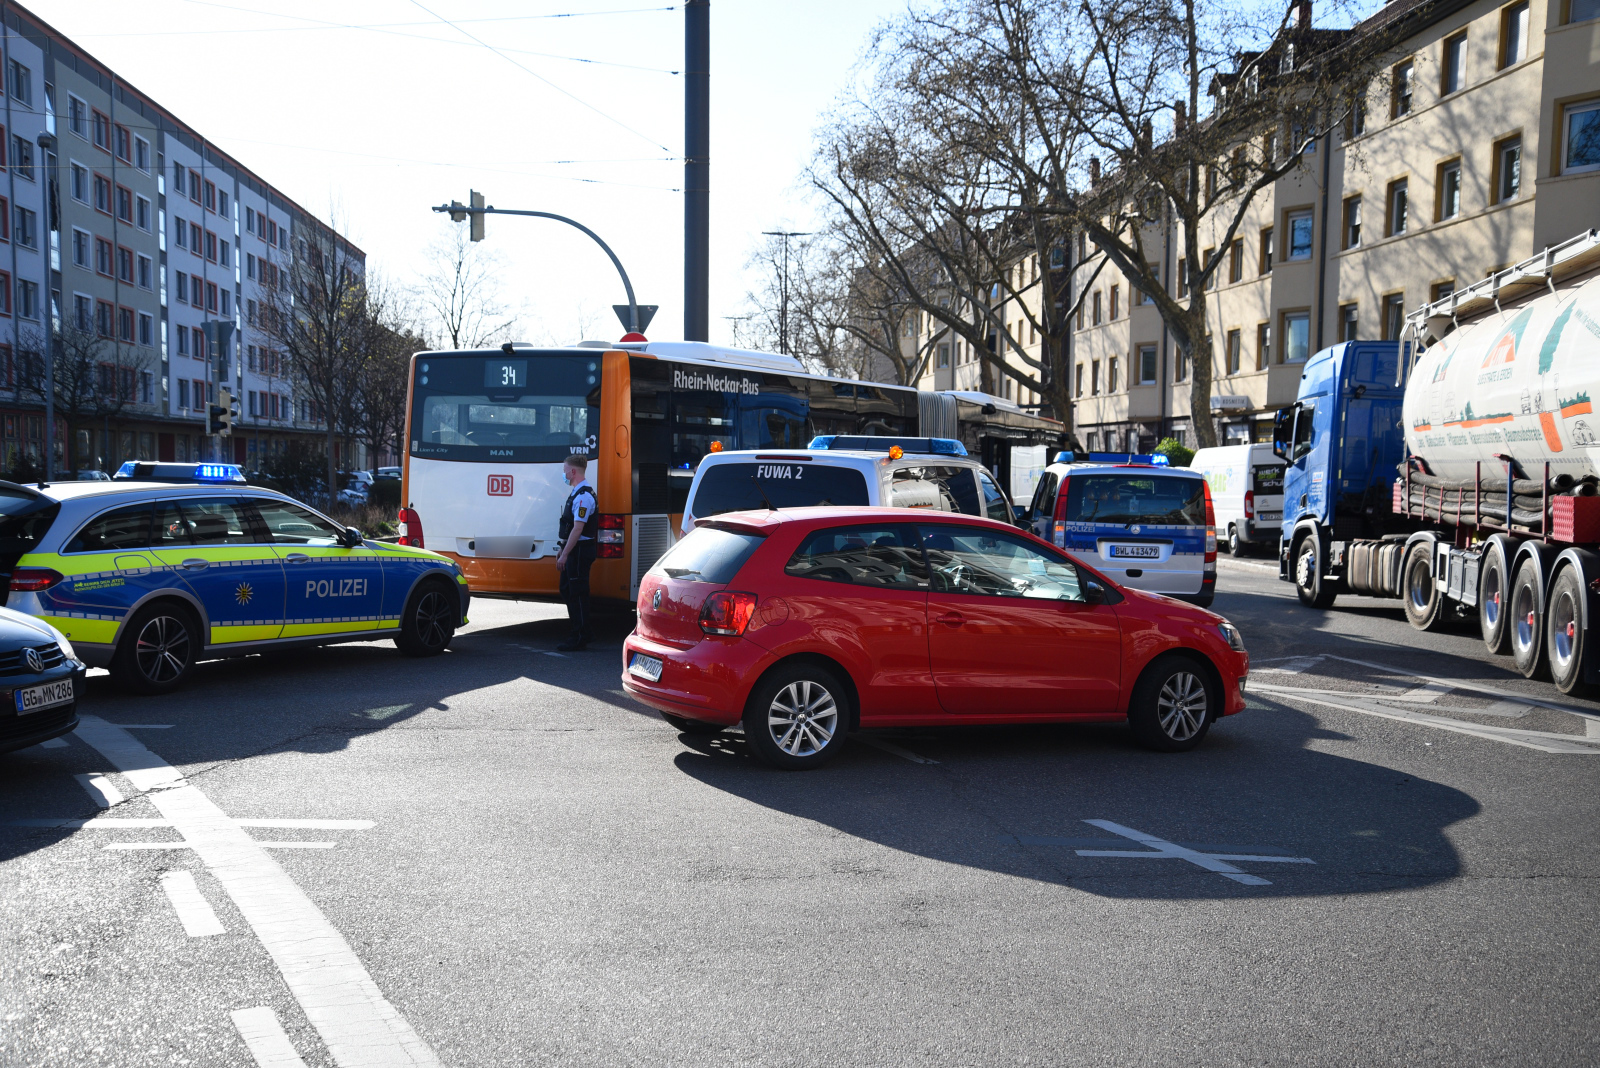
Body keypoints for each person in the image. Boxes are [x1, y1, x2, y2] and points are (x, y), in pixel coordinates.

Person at [555, 454, 598, 651]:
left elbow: (578, 529)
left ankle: (579, 636)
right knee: (567, 589)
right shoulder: (576, 493)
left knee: (577, 593)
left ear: (573, 472)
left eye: (565, 470)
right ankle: (584, 631)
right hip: (574, 550)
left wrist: (565, 554)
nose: (564, 474)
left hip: (580, 552)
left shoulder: (583, 497)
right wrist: (563, 548)